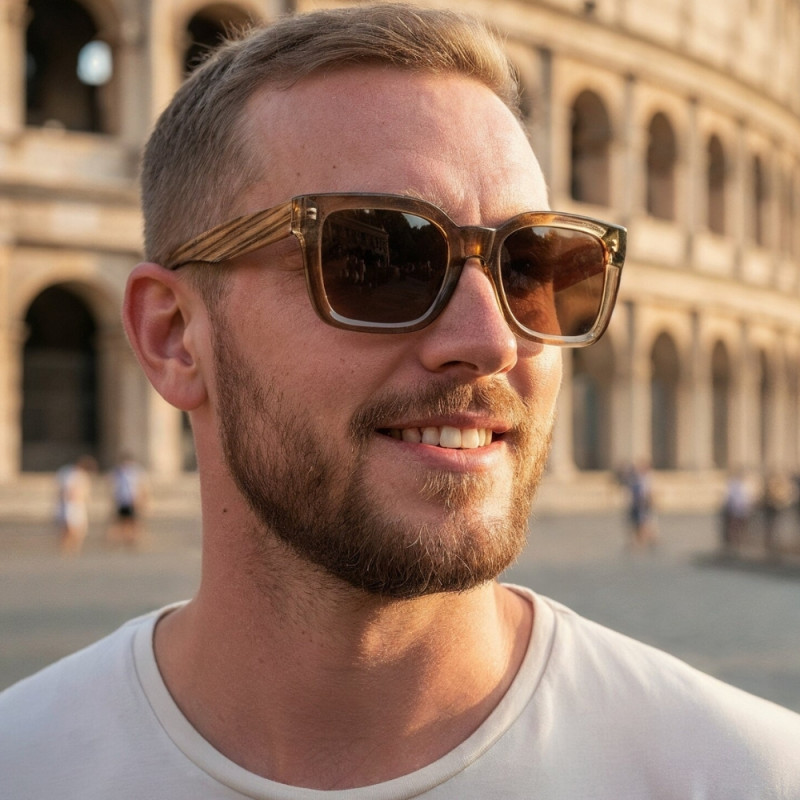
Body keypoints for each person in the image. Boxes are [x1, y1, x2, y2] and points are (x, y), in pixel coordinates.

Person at [1, 5, 799, 797]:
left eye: (531, 267)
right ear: (175, 337)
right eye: (378, 261)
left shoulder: (753, 777)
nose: (491, 340)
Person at [54, 454, 96, 555]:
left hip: (77, 505)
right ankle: (67, 549)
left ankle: (72, 549)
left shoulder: (79, 474)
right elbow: (68, 490)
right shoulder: (72, 474)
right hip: (72, 505)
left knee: (79, 529)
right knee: (72, 529)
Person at [106, 453, 148, 547]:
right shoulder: (117, 472)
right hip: (123, 500)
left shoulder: (136, 472)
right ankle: (124, 539)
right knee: (123, 521)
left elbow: (142, 487)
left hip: (132, 500)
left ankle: (132, 539)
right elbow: (112, 485)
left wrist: (142, 500)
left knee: (133, 521)